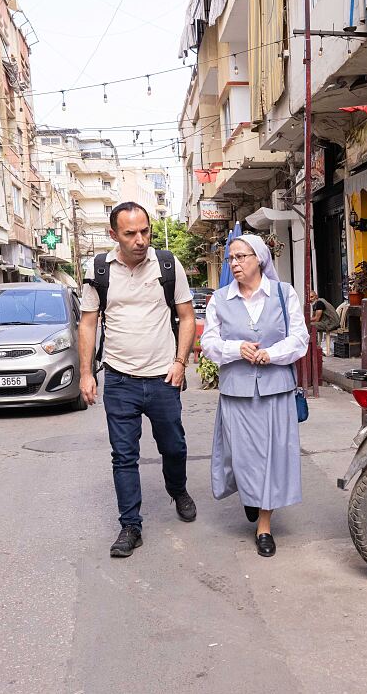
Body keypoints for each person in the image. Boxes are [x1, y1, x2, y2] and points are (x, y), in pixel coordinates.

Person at [78, 201, 197, 558]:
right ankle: (130, 525)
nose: (140, 239)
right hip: (119, 379)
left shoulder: (167, 264)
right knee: (123, 456)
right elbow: (87, 323)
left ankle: (178, 490)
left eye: (144, 231)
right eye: (130, 233)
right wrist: (86, 374)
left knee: (173, 446)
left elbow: (187, 317)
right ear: (113, 234)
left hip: (163, 377)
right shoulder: (99, 269)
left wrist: (180, 362)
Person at [201, 234, 309, 557]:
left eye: (241, 257)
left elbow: (300, 338)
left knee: (273, 457)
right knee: (242, 457)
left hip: (276, 390)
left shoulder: (283, 293)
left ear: (259, 259)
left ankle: (264, 524)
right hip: (237, 392)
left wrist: (271, 354)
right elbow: (207, 343)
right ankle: (250, 495)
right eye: (230, 258)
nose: (234, 264)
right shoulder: (219, 300)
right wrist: (236, 349)